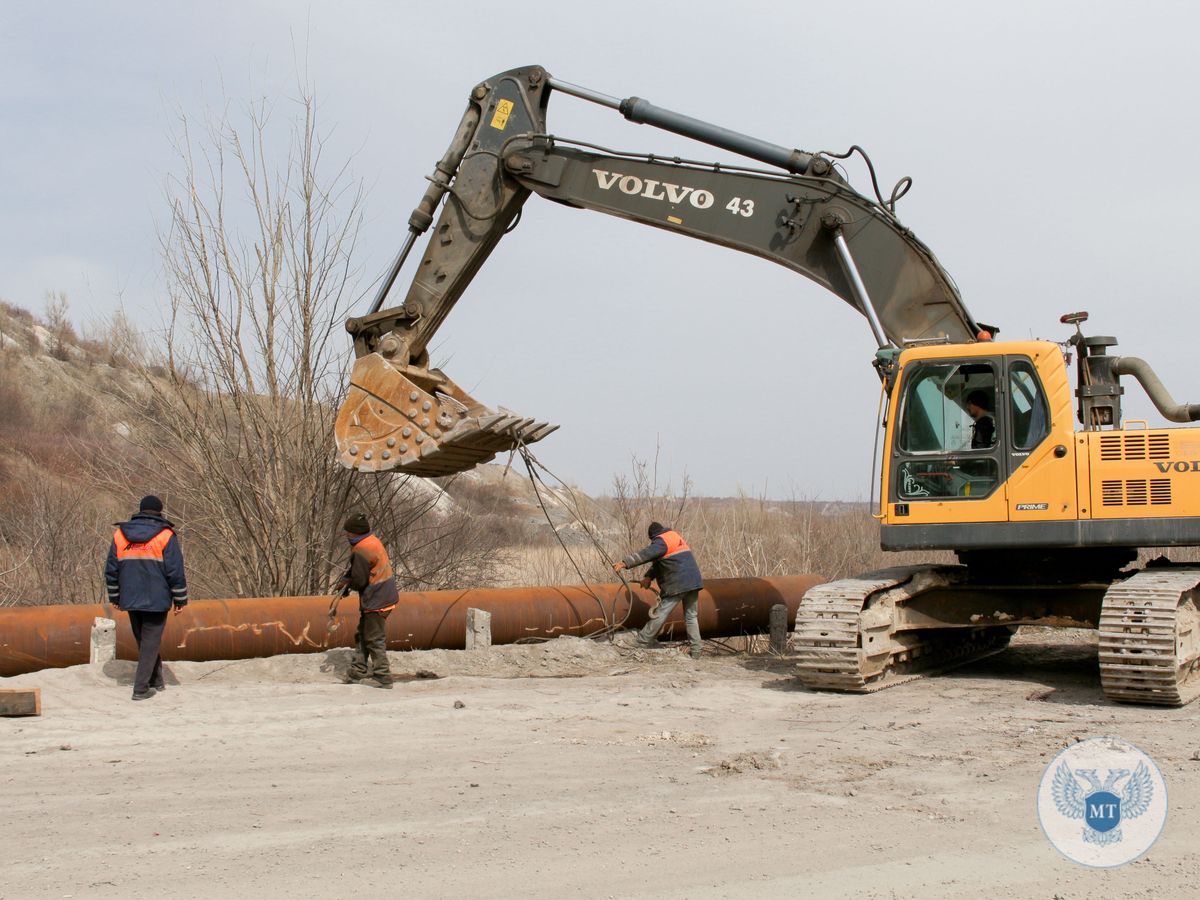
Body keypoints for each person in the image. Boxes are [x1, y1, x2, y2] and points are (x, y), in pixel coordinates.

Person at [104, 495, 189, 701]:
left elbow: (111, 570)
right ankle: (140, 689)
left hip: (131, 597)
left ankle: (156, 680)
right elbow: (175, 571)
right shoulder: (166, 535)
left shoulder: (120, 535)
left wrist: (115, 596)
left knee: (145, 642)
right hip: (157, 599)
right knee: (149, 643)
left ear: (140, 510)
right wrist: (180, 599)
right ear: (160, 512)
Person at [613, 522, 705, 659]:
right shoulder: (673, 537)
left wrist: (625, 563)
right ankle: (697, 651)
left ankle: (641, 641)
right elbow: (661, 560)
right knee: (691, 617)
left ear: (653, 536)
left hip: (678, 584)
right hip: (693, 581)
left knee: (660, 613)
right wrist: (648, 577)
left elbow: (647, 554)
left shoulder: (661, 541)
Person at [335, 513, 400, 689]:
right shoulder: (371, 540)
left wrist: (347, 584)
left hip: (377, 599)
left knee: (374, 638)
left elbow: (360, 580)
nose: (346, 535)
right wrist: (348, 580)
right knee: (363, 634)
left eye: (348, 532)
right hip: (384, 595)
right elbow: (359, 570)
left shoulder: (361, 549)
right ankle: (359, 669)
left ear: (355, 533)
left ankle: (383, 677)